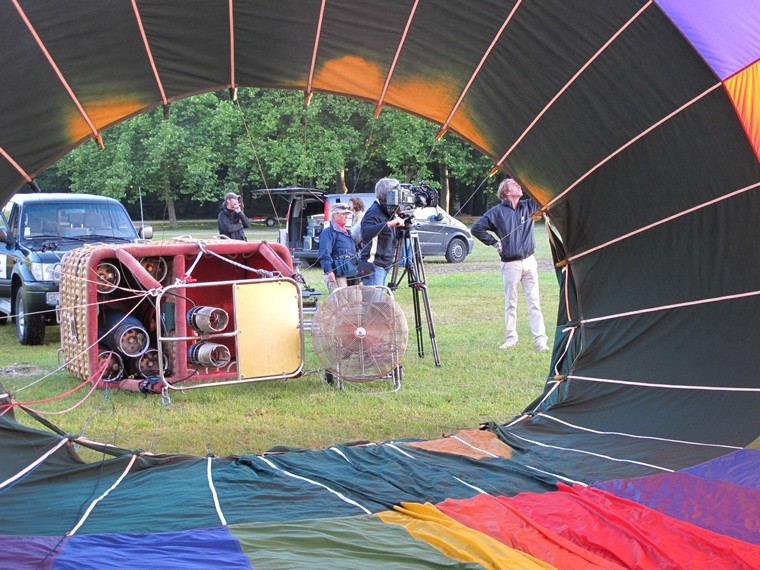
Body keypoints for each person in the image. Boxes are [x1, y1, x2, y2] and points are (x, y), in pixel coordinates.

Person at [471, 178, 549, 351]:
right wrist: (494, 242)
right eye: (515, 184)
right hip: (510, 264)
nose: (519, 186)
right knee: (511, 303)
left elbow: (543, 196)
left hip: (529, 261)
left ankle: (540, 340)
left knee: (534, 301)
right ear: (506, 192)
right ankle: (511, 339)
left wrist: (525, 180)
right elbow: (476, 228)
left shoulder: (528, 205)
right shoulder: (497, 212)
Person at [359, 177, 405, 286]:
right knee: (374, 302)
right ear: (388, 195)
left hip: (383, 265)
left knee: (378, 302)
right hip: (374, 265)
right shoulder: (374, 212)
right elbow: (365, 233)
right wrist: (390, 224)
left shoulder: (388, 212)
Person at [317, 202, 360, 292]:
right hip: (337, 275)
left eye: (347, 214)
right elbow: (324, 253)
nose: (346, 216)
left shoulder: (348, 233)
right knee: (341, 302)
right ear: (335, 215)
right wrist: (329, 271)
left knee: (356, 301)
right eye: (343, 214)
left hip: (352, 273)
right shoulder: (327, 233)